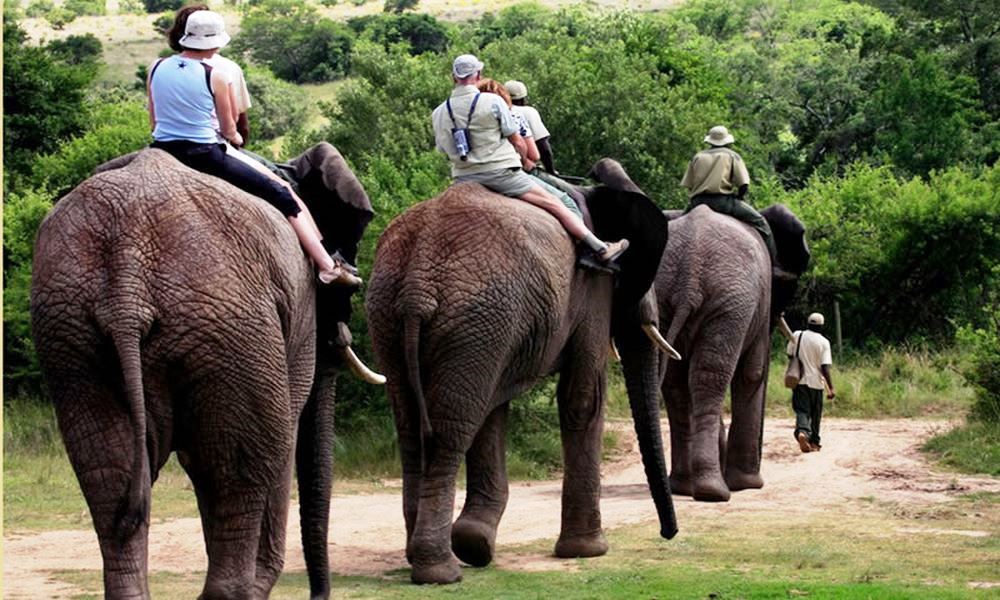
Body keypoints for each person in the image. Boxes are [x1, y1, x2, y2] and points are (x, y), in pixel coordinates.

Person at [146, 10, 358, 287]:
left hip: (161, 148)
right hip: (205, 154)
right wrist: (234, 139)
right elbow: (229, 130)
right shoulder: (217, 75)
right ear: (216, 43)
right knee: (282, 193)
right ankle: (327, 265)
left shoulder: (156, 66)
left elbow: (153, 120)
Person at [432, 54, 626, 263]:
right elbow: (518, 142)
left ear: (454, 77)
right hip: (503, 175)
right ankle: (597, 248)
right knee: (558, 202)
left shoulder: (438, 113)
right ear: (478, 74)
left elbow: (443, 148)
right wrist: (523, 160)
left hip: (463, 178)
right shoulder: (493, 101)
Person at [681, 126, 791, 279]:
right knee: (761, 223)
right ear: (726, 141)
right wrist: (739, 196)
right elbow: (744, 184)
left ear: (710, 141)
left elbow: (689, 184)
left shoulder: (698, 157)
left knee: (675, 225)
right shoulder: (732, 156)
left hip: (697, 202)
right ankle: (774, 265)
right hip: (723, 202)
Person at [476, 78, 582, 221]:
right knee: (571, 202)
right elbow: (541, 151)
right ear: (523, 98)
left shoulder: (472, 117)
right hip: (514, 171)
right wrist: (551, 171)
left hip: (473, 173)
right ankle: (587, 242)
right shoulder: (521, 113)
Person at [166, 4, 251, 146]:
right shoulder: (225, 70)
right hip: (209, 144)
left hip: (166, 142)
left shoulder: (159, 68)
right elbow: (236, 121)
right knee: (267, 169)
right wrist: (238, 141)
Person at [787, 312, 836, 453]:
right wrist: (831, 388)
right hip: (817, 383)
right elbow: (825, 367)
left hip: (799, 380)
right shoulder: (824, 342)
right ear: (821, 327)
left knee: (802, 410)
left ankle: (802, 432)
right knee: (816, 414)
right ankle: (814, 442)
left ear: (808, 323)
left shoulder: (797, 335)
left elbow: (790, 354)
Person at [505, 80, 556, 174]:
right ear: (524, 99)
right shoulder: (528, 112)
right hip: (524, 166)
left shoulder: (499, 110)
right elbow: (543, 146)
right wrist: (551, 171)